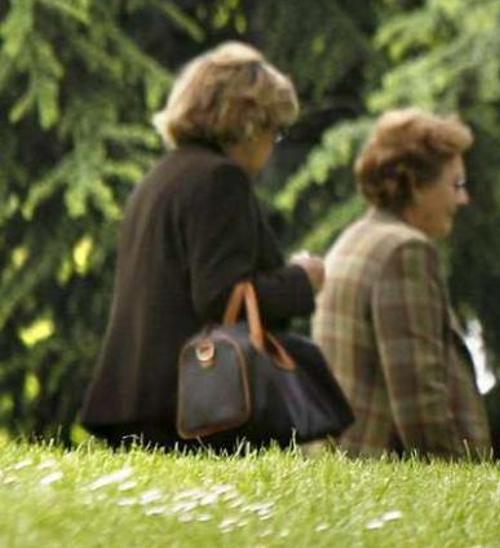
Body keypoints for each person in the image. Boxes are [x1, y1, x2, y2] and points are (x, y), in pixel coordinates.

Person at [80, 42, 325, 448]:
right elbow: (221, 296)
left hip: (138, 399)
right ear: (248, 122)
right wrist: (302, 279)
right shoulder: (219, 180)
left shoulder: (162, 178)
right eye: (275, 131)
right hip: (192, 407)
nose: (272, 145)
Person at [311, 108, 490, 459]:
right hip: (381, 476)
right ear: (414, 184)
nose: (462, 199)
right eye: (455, 184)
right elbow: (419, 400)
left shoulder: (356, 238)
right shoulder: (404, 251)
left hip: (345, 467)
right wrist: (464, 483)